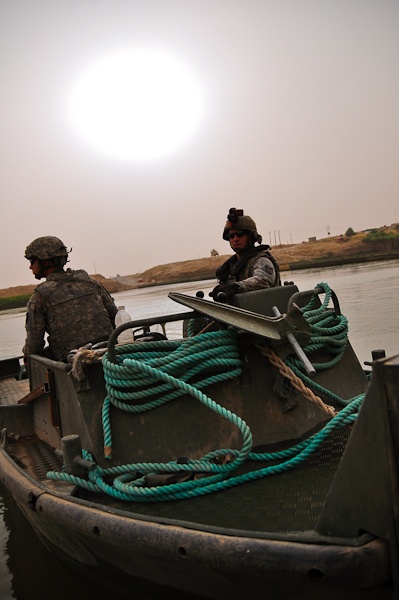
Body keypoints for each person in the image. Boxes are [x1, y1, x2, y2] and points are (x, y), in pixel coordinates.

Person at [23, 236, 118, 363]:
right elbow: (116, 316)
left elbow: (34, 344)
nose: (30, 267)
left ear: (45, 262)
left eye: (32, 261)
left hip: (71, 363)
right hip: (109, 353)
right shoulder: (90, 282)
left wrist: (26, 353)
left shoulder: (40, 297)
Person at [209, 208, 281, 301]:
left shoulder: (261, 260)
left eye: (240, 234)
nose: (235, 239)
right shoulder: (230, 267)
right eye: (231, 236)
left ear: (250, 237)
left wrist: (234, 288)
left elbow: (262, 280)